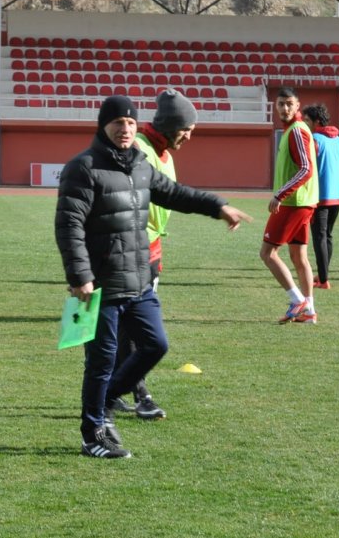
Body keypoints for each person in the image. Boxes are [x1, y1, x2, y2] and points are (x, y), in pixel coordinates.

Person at [55, 95, 251, 459]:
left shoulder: (140, 165)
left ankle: (110, 399)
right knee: (101, 361)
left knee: (155, 344)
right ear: (104, 126)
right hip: (101, 283)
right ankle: (92, 434)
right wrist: (80, 274)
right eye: (117, 122)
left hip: (139, 279)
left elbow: (174, 193)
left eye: (130, 123)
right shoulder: (82, 168)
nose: (125, 128)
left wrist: (216, 206)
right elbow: (69, 225)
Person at [109, 88, 198, 421]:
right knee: (140, 332)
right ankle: (141, 393)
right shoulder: (138, 148)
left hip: (152, 250)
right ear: (170, 124)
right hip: (129, 250)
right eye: (185, 129)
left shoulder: (164, 154)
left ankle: (113, 392)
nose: (189, 136)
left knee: (126, 330)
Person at [260, 87, 319, 324]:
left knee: (267, 252)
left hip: (294, 203)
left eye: (289, 104)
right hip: (303, 202)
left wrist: (280, 195)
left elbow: (306, 168)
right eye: (281, 104)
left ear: (297, 106)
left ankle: (297, 300)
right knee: (298, 256)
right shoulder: (293, 131)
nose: (285, 108)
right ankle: (310, 311)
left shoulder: (296, 131)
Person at [301, 103, 339, 290]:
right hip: (337, 198)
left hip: (320, 198)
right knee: (327, 236)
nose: (304, 124)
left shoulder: (313, 139)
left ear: (317, 122)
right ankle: (323, 275)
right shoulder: (338, 141)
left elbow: (308, 169)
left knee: (319, 237)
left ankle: (323, 280)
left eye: (307, 120)